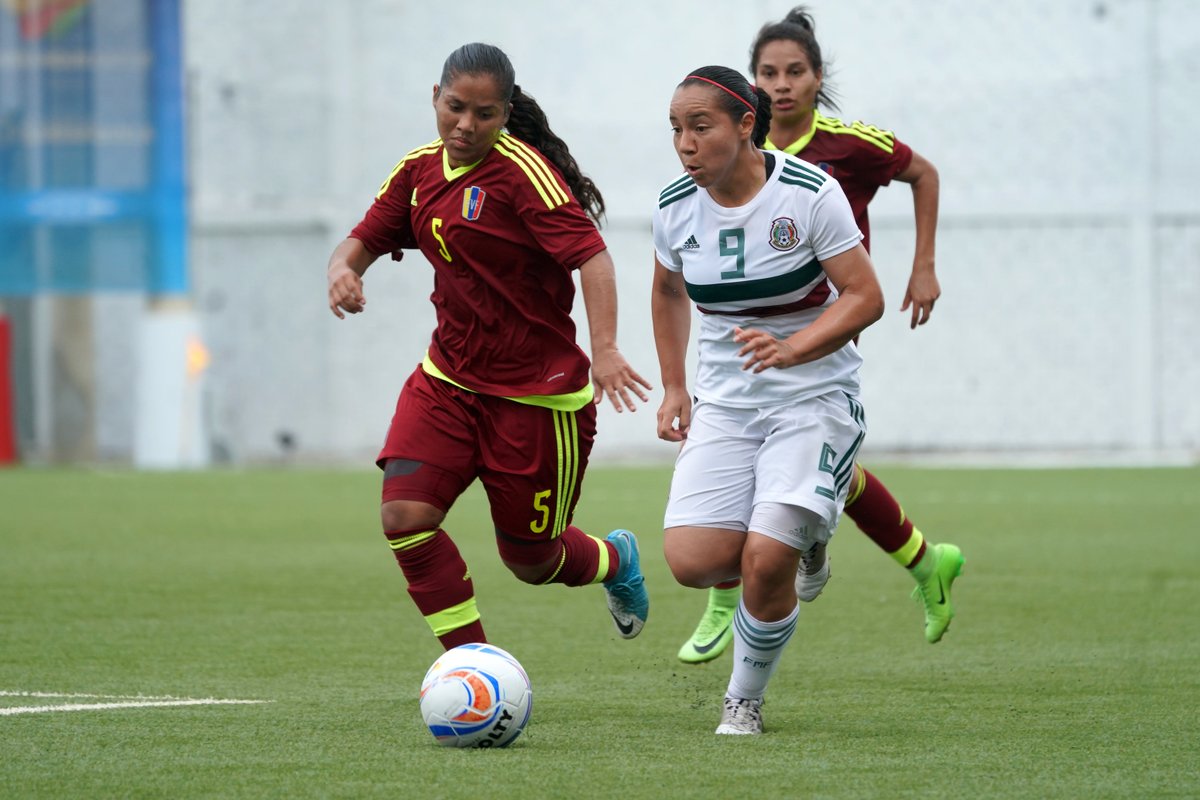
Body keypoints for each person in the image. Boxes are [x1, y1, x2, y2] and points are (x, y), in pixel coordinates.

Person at [326, 42, 652, 652]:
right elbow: (359, 240)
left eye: (484, 114)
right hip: (447, 382)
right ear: (435, 97)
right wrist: (343, 271)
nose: (465, 126)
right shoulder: (418, 171)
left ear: (505, 114)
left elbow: (593, 258)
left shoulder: (524, 176)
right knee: (405, 520)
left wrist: (605, 348)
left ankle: (615, 560)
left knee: (531, 560)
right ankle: (473, 668)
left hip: (536, 399)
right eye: (454, 108)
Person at [676, 7, 964, 664]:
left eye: (794, 72)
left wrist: (923, 265)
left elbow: (924, 173)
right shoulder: (731, 152)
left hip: (826, 324)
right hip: (742, 336)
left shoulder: (848, 145)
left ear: (817, 77)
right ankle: (920, 562)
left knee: (803, 462)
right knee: (783, 463)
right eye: (768, 73)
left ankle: (746, 588)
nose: (781, 85)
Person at [653, 65, 885, 734]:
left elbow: (865, 297)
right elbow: (668, 291)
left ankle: (743, 701)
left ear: (746, 124)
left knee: (765, 559)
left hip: (813, 398)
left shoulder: (809, 194)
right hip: (728, 405)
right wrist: (675, 385)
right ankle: (805, 530)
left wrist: (795, 347)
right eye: (676, 129)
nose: (685, 143)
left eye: (701, 127)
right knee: (692, 564)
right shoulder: (674, 207)